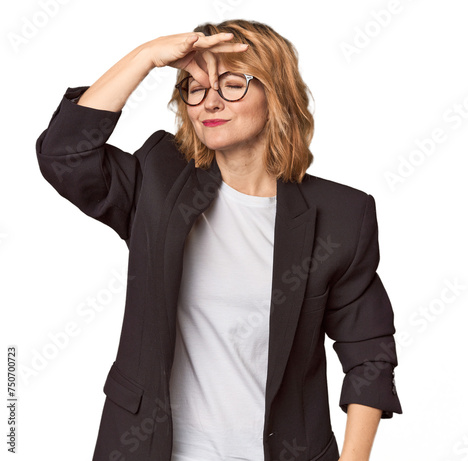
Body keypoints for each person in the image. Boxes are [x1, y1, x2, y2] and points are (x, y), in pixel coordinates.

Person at [35, 19, 402, 461]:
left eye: (232, 85)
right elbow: (65, 153)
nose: (209, 101)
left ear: (276, 94)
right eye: (195, 87)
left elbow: (369, 352)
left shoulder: (341, 214)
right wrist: (146, 56)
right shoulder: (159, 177)